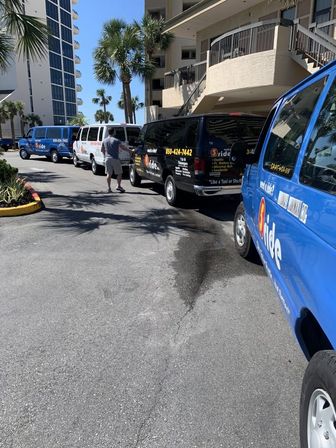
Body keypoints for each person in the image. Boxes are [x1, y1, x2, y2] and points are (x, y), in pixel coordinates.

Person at [101, 127, 131, 193]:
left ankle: (109, 188)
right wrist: (129, 151)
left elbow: (102, 150)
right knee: (119, 173)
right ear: (113, 132)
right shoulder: (116, 140)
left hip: (107, 159)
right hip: (115, 159)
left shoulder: (104, 140)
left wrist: (105, 156)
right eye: (115, 131)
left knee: (109, 174)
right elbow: (123, 148)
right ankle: (118, 186)